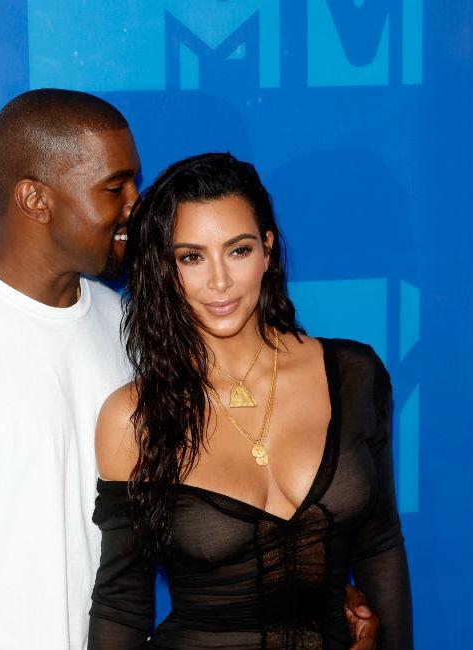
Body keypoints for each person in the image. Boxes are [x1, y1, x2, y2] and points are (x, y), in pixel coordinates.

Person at [0, 90, 377, 650]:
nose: (137, 206)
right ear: (35, 199)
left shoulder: (130, 326)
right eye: (115, 188)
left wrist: (303, 583)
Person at [89, 153, 412, 649]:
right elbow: (123, 605)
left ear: (267, 249)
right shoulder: (133, 418)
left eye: (237, 250)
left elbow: (380, 546)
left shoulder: (354, 374)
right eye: (191, 257)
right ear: (165, 269)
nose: (219, 281)